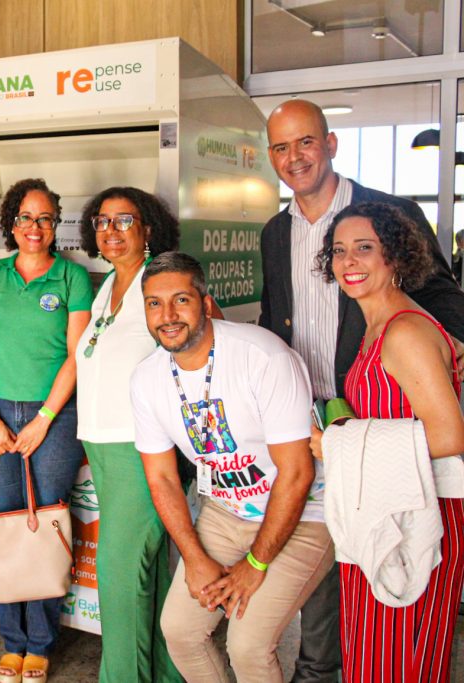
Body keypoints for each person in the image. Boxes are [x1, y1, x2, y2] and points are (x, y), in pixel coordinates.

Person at [259, 98, 464, 682]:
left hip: (381, 401)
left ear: (330, 144)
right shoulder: (276, 231)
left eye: (305, 141)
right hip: (316, 414)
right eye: (281, 147)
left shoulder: (387, 214)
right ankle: (322, 669)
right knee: (338, 558)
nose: (295, 157)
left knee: (383, 582)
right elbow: (277, 316)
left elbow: (442, 294)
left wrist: (443, 349)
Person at [132, 252, 334, 683]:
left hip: (304, 514)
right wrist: (194, 557)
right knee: (181, 632)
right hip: (226, 511)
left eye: (181, 300)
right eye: (154, 303)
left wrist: (256, 564)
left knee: (247, 645)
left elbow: (297, 473)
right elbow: (162, 478)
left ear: (205, 304)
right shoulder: (146, 379)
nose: (167, 316)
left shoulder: (262, 357)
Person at [312, 202, 464, 682]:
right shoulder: (378, 325)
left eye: (365, 248)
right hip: (388, 509)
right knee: (375, 658)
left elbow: (449, 435)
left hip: (419, 517)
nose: (349, 261)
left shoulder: (404, 332)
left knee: (399, 662)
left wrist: (336, 445)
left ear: (395, 256)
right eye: (339, 251)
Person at [0, 178, 93, 683]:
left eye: (44, 219)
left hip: (53, 417)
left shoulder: (71, 277)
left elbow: (77, 355)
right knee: (2, 521)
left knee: (43, 524)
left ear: (55, 224)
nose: (34, 227)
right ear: (11, 224)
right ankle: (11, 640)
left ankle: (39, 642)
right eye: (25, 218)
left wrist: (44, 419)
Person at [74, 187, 182, 683]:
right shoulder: (109, 286)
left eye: (124, 220)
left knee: (118, 578)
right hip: (103, 448)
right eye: (102, 221)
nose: (110, 230)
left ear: (148, 229)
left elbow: (205, 340)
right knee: (149, 574)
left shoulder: (159, 281)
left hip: (140, 451)